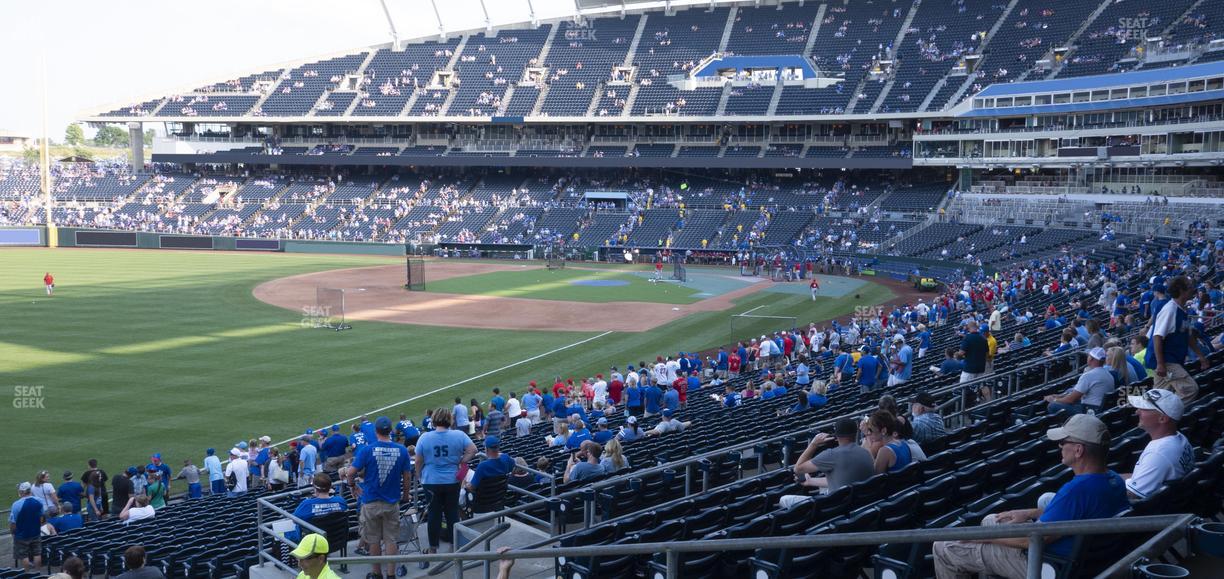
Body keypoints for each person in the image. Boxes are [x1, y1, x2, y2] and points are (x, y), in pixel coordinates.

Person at [933, 414, 1128, 579]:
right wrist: (1031, 512)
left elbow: (1031, 540)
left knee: (943, 546)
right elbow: (1077, 513)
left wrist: (983, 538)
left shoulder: (1077, 490)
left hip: (1047, 565)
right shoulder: (1113, 480)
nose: (1059, 446)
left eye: (1063, 442)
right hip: (1080, 561)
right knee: (991, 519)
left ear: (1078, 450)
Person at [348, 416, 412, 579]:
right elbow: (407, 477)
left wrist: (352, 486)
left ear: (376, 431)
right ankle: (391, 575)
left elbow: (350, 473)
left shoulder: (367, 450)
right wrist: (405, 496)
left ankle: (376, 574)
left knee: (373, 539)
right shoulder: (402, 450)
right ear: (390, 431)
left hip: (371, 502)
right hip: (392, 502)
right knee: (391, 540)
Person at [415, 407, 477, 567]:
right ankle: (453, 546)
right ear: (449, 419)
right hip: (452, 480)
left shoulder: (425, 437)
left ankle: (433, 549)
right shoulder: (458, 435)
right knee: (452, 513)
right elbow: (473, 450)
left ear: (434, 419)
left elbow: (419, 461)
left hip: (431, 481)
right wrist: (461, 461)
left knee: (434, 515)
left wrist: (419, 475)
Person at [780, 418, 875, 507]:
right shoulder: (866, 452)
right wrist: (810, 481)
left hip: (836, 506)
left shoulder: (831, 455)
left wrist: (813, 444)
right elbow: (842, 480)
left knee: (784, 499)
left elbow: (798, 469)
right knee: (823, 488)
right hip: (859, 502)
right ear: (855, 433)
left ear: (836, 436)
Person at [1146, 275, 1210, 401]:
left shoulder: (1181, 310)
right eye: (1190, 287)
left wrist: (1200, 356)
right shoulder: (1170, 310)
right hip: (1166, 361)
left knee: (1159, 397)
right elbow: (1157, 336)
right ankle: (1170, 417)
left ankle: (1154, 418)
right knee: (1190, 389)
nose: (1193, 290)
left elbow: (1188, 336)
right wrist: (1160, 364)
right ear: (1181, 290)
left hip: (1168, 360)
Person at [1123, 390, 1194, 499]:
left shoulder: (1158, 454)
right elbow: (1139, 478)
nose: (1137, 412)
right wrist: (1106, 477)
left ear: (1162, 418)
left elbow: (1133, 495)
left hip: (1150, 512)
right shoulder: (1179, 438)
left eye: (1144, 408)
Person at [1045, 347, 1115, 415]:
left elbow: (1070, 400)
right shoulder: (1109, 374)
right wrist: (1059, 396)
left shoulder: (1089, 375)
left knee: (1052, 405)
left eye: (1088, 356)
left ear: (1091, 359)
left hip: (1090, 412)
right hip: (1101, 409)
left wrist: (1054, 400)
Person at [286, 473, 348, 543]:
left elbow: (294, 520)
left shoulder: (307, 504)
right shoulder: (341, 501)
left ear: (315, 489)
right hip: (337, 540)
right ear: (330, 487)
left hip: (315, 544)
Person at [466, 436, 514, 502]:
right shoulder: (506, 458)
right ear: (498, 448)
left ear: (487, 449)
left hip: (484, 502)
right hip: (499, 499)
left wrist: (466, 485)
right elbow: (512, 466)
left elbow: (471, 487)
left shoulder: (483, 466)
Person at [10, 482, 44, 570]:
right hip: (36, 533)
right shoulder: (39, 501)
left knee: (24, 556)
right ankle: (38, 573)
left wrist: (13, 533)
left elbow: (13, 523)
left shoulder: (16, 504)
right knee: (37, 554)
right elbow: (42, 517)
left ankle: (27, 575)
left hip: (21, 535)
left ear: (22, 492)